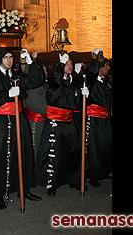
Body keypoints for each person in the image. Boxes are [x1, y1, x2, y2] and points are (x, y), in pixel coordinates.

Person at [0, 47, 45, 209]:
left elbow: (36, 81)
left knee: (23, 153)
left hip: (19, 120)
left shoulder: (17, 75)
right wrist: (7, 95)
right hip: (1, 121)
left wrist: (31, 62)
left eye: (11, 57)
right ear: (0, 59)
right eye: (6, 57)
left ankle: (23, 188)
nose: (9, 60)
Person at [35, 52, 87, 196]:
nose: (69, 66)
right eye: (66, 64)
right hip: (55, 123)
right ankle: (52, 183)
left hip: (69, 122)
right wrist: (60, 66)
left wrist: (83, 96)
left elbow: (76, 105)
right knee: (54, 155)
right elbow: (55, 86)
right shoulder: (54, 81)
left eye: (70, 64)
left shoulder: (74, 82)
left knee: (73, 152)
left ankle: (75, 180)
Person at [84, 58, 112, 187]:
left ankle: (104, 171)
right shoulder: (93, 81)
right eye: (106, 65)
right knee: (94, 148)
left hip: (105, 119)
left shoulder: (105, 81)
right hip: (94, 119)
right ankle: (93, 175)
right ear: (100, 67)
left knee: (105, 145)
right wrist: (95, 59)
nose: (109, 68)